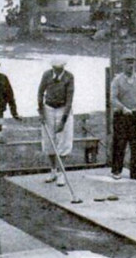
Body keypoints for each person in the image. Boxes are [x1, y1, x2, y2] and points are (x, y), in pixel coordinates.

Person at [109, 52, 136, 181]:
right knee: (120, 143)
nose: (130, 65)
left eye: (132, 63)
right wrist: (123, 108)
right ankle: (116, 170)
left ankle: (135, 173)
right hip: (121, 115)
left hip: (135, 114)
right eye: (128, 63)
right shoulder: (117, 80)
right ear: (123, 64)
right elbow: (113, 98)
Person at [37, 57, 74, 186]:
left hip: (63, 109)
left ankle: (61, 173)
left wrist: (63, 121)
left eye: (59, 68)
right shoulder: (47, 75)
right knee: (49, 141)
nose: (57, 71)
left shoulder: (69, 77)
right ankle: (53, 171)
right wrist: (41, 111)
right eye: (55, 68)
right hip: (48, 109)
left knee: (63, 141)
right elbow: (40, 92)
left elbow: (69, 100)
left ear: (63, 67)